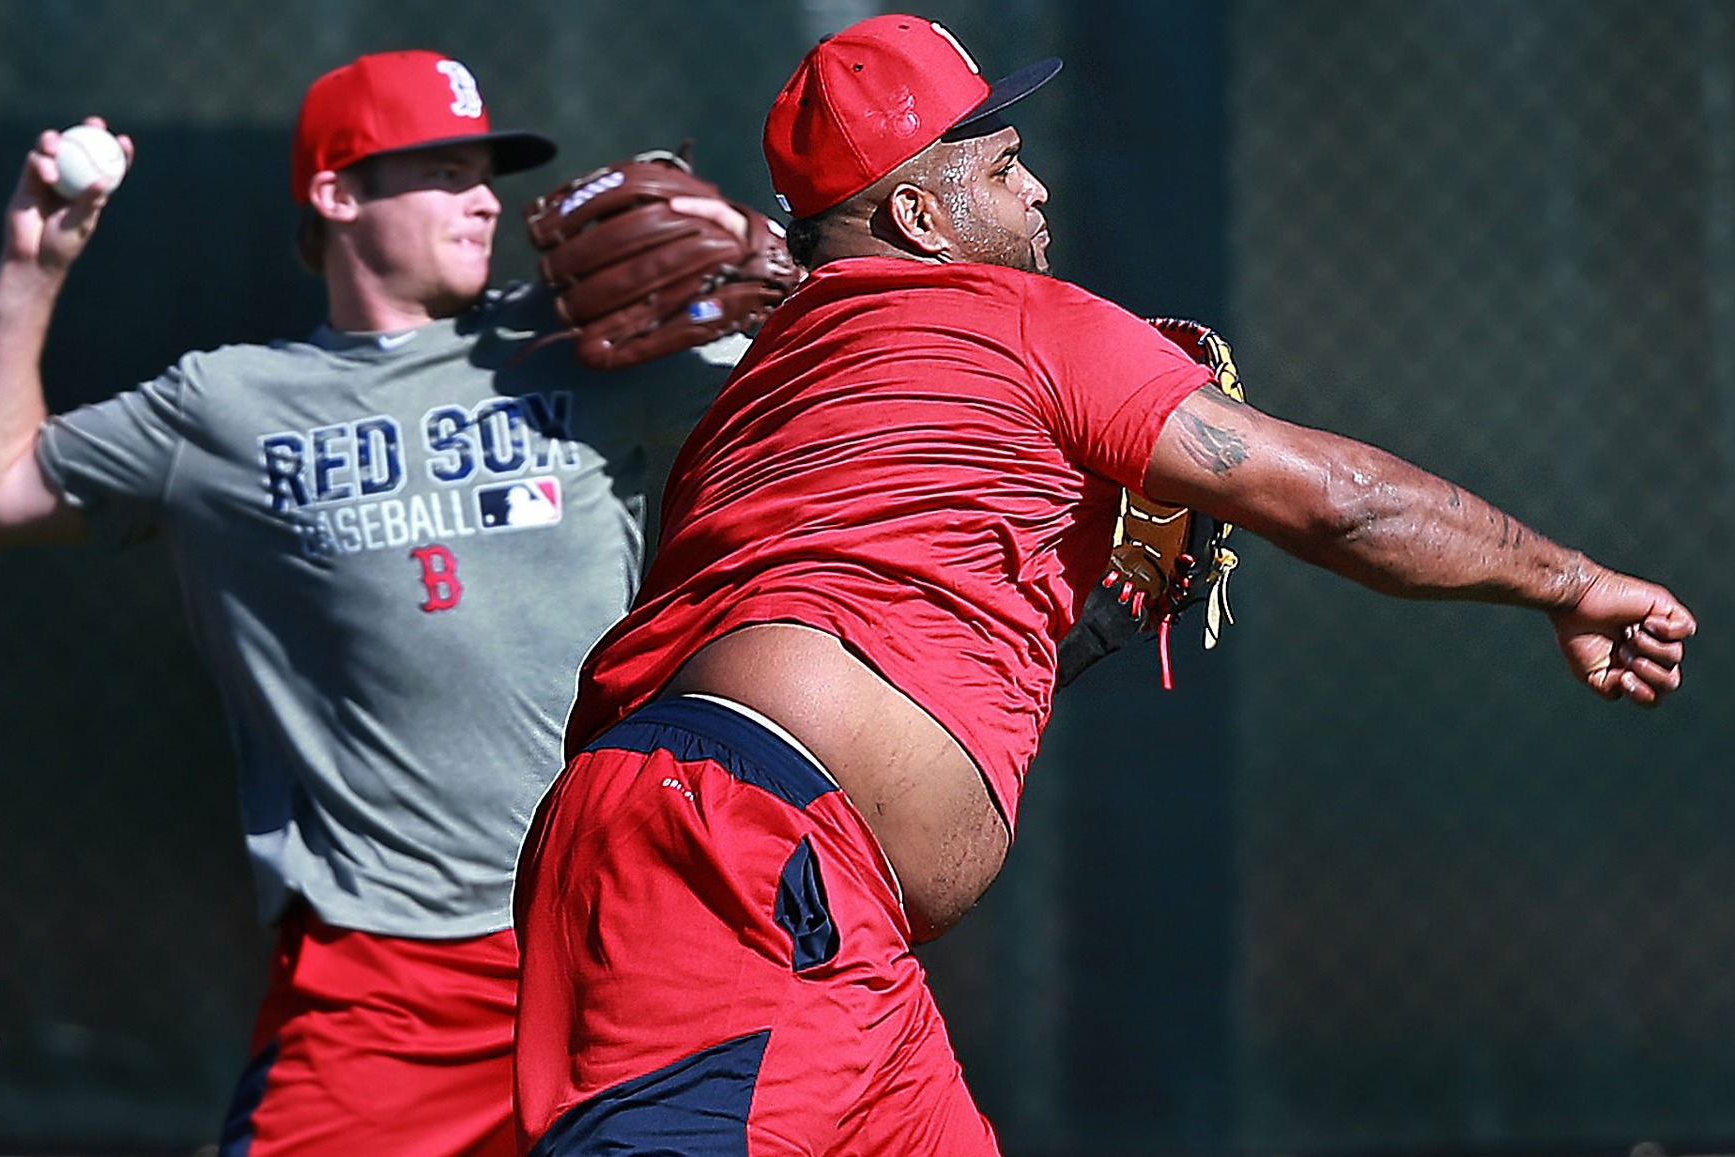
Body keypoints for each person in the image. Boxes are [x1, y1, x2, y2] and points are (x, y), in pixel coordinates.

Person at [509, 14, 1697, 1156]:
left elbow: (872, 630)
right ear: (921, 216)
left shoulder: (763, 396)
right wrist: (1571, 580)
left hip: (782, 884)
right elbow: (1343, 500)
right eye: (1007, 164)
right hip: (734, 854)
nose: (1036, 190)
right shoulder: (1013, 320)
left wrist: (1082, 630)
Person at [0, 49, 753, 1157]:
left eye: (486, 170)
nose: (480, 196)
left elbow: (823, 408)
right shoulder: (228, 405)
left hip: (618, 946)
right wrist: (34, 265)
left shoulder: (586, 344)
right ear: (337, 192)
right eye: (441, 168)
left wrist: (778, 273)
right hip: (388, 982)